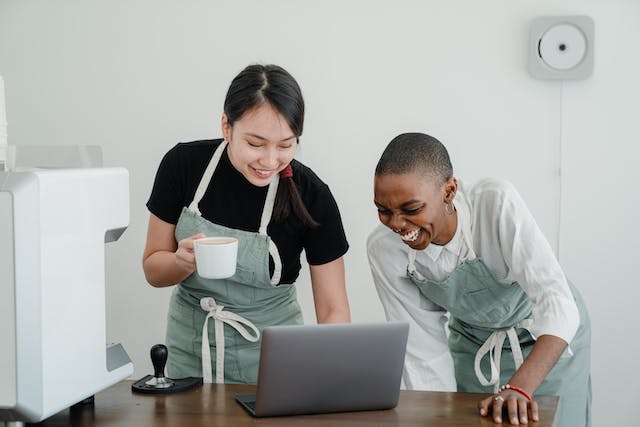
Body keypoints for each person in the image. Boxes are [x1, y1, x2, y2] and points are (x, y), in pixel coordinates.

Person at [143, 64, 351, 384]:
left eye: (285, 145)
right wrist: (179, 262)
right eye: (255, 143)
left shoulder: (312, 195)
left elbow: (334, 310)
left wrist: (335, 379)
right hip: (191, 350)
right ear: (227, 126)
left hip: (276, 359)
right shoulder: (182, 166)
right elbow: (153, 269)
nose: (269, 161)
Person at [367, 133, 590, 426]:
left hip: (546, 340)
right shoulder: (384, 249)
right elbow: (423, 352)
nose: (396, 224)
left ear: (448, 191)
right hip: (474, 348)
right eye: (384, 211)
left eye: (411, 209)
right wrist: (434, 418)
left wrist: (519, 387)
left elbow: (556, 301)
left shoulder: (494, 204)